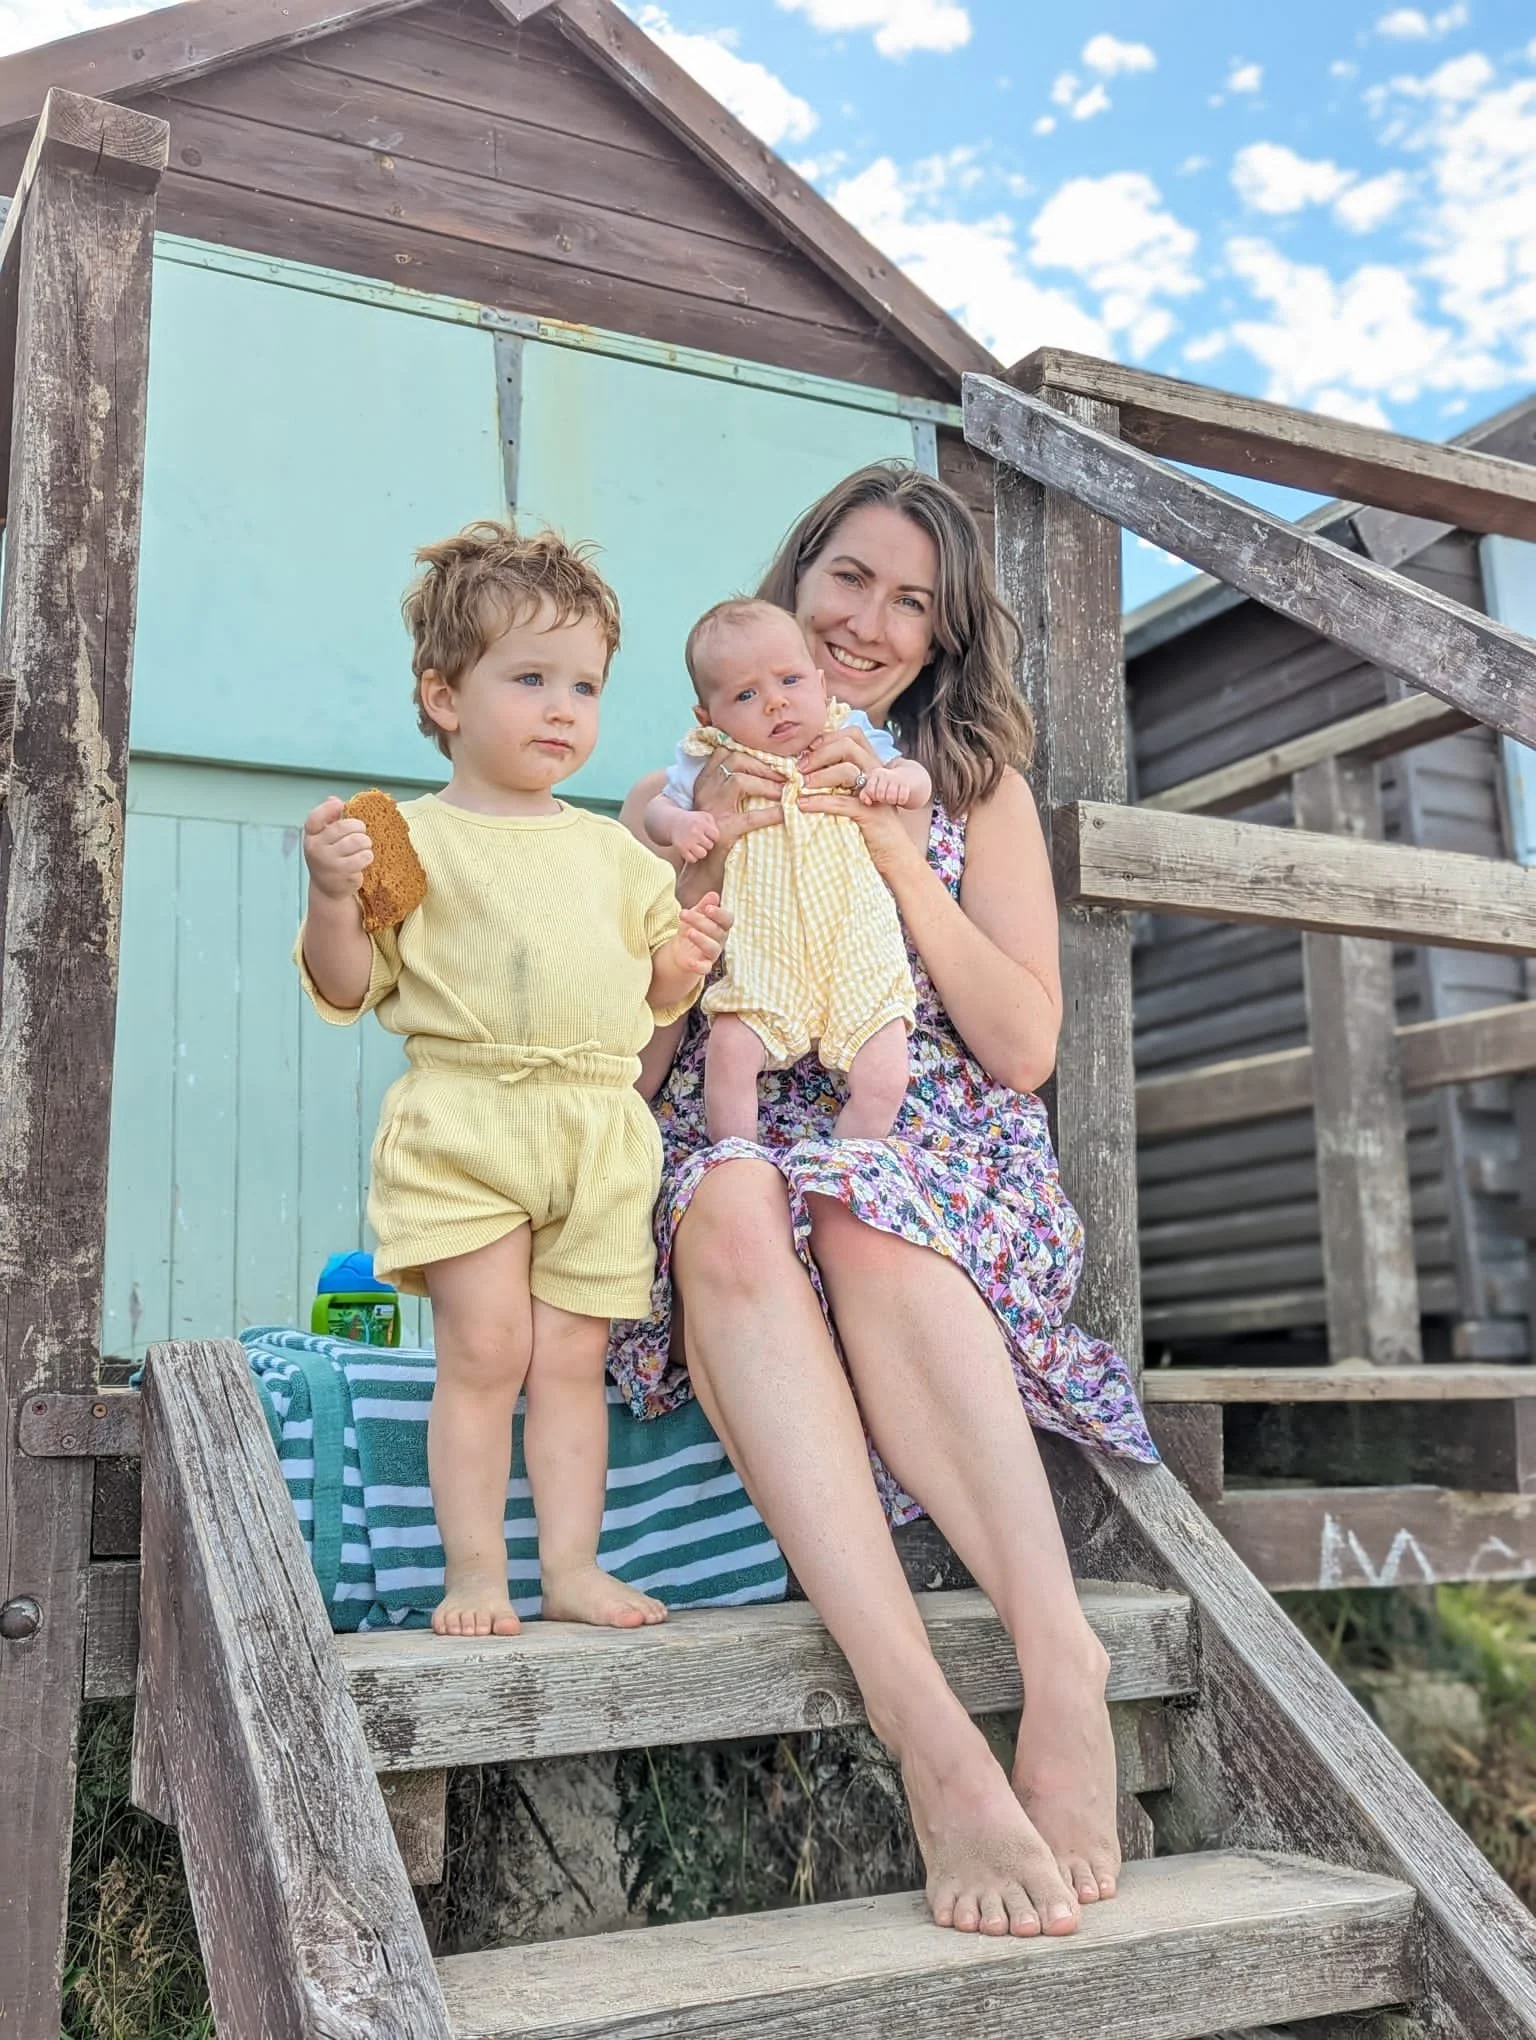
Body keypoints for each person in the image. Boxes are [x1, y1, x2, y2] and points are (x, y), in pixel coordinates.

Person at [614, 464, 1158, 1941]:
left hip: (928, 1135)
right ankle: (932, 1741)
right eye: (849, 578)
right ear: (797, 582)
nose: (869, 621)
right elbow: (626, 1057)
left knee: (859, 1201)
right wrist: (689, 882)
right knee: (730, 1201)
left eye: (912, 601)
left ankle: (1063, 1668)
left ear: (942, 637)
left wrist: (900, 863)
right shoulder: (686, 779)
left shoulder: (968, 786)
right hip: (740, 1117)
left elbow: (1024, 1045)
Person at [297, 521, 728, 1641]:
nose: (560, 708)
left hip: (594, 1131)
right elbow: (347, 987)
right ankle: (477, 1570)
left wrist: (678, 965)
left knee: (573, 1359)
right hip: (467, 1118)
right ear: (443, 696)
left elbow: (648, 1008)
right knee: (486, 1352)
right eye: (528, 677)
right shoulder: (407, 840)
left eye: (582, 685)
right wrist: (331, 899)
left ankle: (573, 1569)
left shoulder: (620, 858)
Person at [644, 597, 931, 1143]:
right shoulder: (711, 761)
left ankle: (848, 1161)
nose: (776, 704)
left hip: (856, 949)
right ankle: (736, 1155)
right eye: (746, 695)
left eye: (790, 680)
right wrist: (682, 827)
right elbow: (660, 809)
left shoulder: (850, 735)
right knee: (729, 1052)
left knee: (887, 1073)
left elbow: (914, 778)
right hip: (765, 953)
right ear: (709, 718)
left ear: (822, 687)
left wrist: (901, 785)